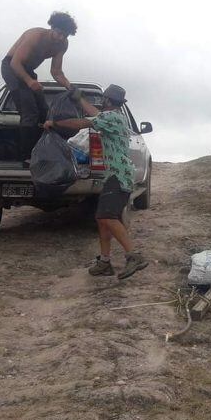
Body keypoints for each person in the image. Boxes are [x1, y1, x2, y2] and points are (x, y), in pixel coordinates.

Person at [44, 84, 148, 279]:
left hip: (118, 176)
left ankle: (134, 256)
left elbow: (82, 123)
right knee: (102, 219)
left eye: (104, 100)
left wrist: (56, 123)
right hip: (114, 176)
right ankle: (105, 262)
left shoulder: (112, 117)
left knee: (108, 217)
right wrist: (80, 98)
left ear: (107, 101)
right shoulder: (113, 116)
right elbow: (93, 113)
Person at [1, 11, 77, 159]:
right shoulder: (35, 36)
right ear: (52, 28)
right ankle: (26, 157)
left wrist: (70, 87)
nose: (61, 38)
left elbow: (56, 72)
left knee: (44, 112)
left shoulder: (62, 44)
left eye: (65, 35)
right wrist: (29, 82)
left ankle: (45, 151)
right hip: (11, 67)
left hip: (28, 70)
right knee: (30, 112)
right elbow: (15, 63)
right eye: (59, 33)